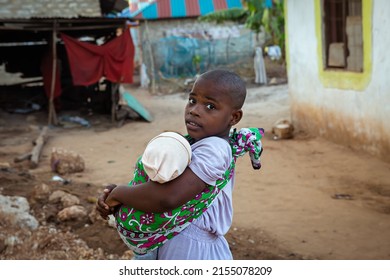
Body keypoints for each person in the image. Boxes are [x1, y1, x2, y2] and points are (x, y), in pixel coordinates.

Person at [97, 69, 264, 260]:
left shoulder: (215, 150)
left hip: (193, 251)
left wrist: (119, 194)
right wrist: (121, 193)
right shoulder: (197, 143)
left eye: (210, 106)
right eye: (192, 101)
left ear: (234, 118)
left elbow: (168, 197)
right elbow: (162, 183)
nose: (194, 110)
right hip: (174, 239)